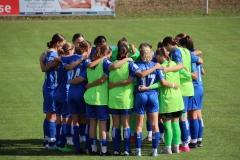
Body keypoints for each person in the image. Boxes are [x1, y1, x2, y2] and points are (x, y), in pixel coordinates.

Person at [133, 43, 178, 157]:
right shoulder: (156, 66)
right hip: (153, 96)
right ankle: (154, 151)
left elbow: (135, 79)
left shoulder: (137, 65)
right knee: (155, 125)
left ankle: (138, 151)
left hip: (141, 95)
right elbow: (161, 82)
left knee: (139, 125)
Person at [140, 47, 187, 154]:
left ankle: (167, 149)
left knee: (167, 126)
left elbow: (161, 83)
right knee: (176, 124)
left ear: (160, 56)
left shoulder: (161, 68)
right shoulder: (175, 64)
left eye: (156, 56)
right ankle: (176, 147)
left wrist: (148, 87)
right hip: (178, 99)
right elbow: (187, 76)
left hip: (167, 100)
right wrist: (176, 83)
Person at [161, 36, 203, 152]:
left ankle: (184, 144)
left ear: (168, 45)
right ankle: (185, 142)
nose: (166, 50)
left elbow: (179, 66)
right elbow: (199, 60)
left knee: (182, 118)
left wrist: (167, 70)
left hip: (182, 88)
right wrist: (189, 72)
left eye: (165, 47)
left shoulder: (176, 52)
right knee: (183, 117)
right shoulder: (187, 51)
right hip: (189, 87)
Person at [39, 33, 66, 150]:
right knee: (52, 115)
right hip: (52, 87)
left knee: (49, 114)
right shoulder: (52, 54)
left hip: (49, 87)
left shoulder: (47, 53)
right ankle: (51, 144)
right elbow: (45, 68)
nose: (63, 47)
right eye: (63, 44)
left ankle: (46, 140)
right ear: (58, 43)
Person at [180, 36, 205, 148]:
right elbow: (203, 70)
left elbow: (196, 72)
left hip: (194, 88)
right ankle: (197, 139)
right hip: (199, 87)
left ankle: (194, 141)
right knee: (197, 114)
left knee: (192, 115)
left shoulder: (188, 56)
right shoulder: (193, 56)